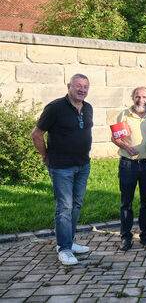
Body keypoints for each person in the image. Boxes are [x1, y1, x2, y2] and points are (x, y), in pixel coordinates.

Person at [30, 74, 93, 266]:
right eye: (78, 86)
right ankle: (63, 249)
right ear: (69, 87)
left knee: (76, 204)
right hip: (61, 167)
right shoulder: (55, 108)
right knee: (64, 207)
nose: (82, 90)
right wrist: (44, 155)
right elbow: (36, 134)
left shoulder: (88, 107)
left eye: (85, 87)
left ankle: (69, 241)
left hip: (83, 164)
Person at [111, 87, 146, 251]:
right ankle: (126, 237)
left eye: (144, 97)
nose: (140, 99)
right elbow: (115, 137)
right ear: (132, 97)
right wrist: (126, 146)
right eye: (137, 96)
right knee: (126, 203)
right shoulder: (124, 114)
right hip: (128, 163)